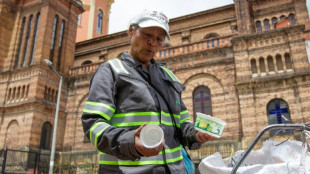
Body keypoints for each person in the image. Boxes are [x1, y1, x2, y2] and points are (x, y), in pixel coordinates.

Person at [81, 9, 215, 174]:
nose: (153, 43)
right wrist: (130, 142)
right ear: (131, 31)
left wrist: (195, 133)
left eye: (159, 39)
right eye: (147, 35)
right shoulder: (111, 71)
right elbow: (93, 124)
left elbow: (182, 125)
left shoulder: (170, 77)